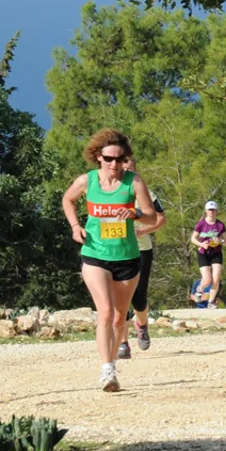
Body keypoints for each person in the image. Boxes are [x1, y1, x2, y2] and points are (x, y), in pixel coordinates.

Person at [61, 129, 157, 392]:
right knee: (104, 312)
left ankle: (112, 362)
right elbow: (67, 200)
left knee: (118, 318)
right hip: (95, 254)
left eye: (120, 158)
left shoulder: (134, 183)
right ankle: (107, 370)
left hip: (127, 257)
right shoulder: (87, 181)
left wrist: (133, 212)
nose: (115, 164)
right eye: (109, 158)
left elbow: (151, 217)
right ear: (98, 157)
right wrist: (75, 226)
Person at [117, 155, 165, 357]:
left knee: (138, 297)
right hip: (116, 250)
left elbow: (161, 219)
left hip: (141, 249)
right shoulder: (110, 192)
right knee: (118, 298)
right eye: (123, 168)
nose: (126, 172)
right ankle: (123, 343)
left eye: (130, 169)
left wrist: (143, 231)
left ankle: (142, 325)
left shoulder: (146, 193)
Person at [193, 202, 226, 308]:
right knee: (207, 280)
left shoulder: (220, 225)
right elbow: (193, 239)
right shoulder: (201, 224)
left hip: (216, 253)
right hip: (203, 253)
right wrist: (201, 244)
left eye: (213, 210)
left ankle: (211, 302)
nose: (211, 212)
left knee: (216, 278)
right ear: (206, 211)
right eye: (209, 210)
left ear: (216, 211)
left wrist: (219, 240)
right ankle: (199, 289)